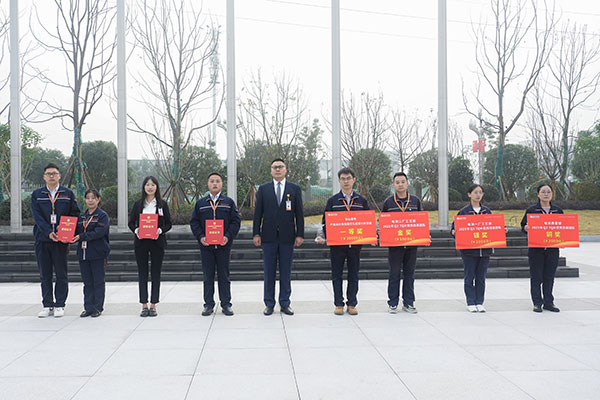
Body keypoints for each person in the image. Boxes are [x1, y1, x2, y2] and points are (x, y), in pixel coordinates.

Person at [253, 158, 304, 316]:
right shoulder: (263, 189)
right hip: (268, 237)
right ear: (271, 170)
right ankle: (269, 304)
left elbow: (299, 214)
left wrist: (300, 234)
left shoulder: (294, 189)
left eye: (280, 167)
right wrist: (256, 233)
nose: (277, 169)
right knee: (269, 272)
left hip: (287, 237)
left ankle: (285, 303)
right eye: (275, 167)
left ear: (285, 169)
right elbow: (257, 214)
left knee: (285, 272)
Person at [316, 167, 369, 315]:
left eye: (349, 178)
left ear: (354, 180)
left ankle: (352, 304)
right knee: (336, 275)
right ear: (339, 181)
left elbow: (367, 222)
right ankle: (338, 304)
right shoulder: (333, 201)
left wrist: (371, 236)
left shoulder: (361, 201)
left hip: (355, 245)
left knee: (354, 275)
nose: (346, 182)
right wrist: (324, 236)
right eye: (343, 179)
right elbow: (325, 222)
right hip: (337, 245)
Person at [31, 163, 80, 318]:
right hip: (43, 239)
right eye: (48, 174)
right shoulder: (37, 194)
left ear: (59, 176)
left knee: (61, 273)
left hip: (61, 240)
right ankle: (47, 305)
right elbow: (37, 217)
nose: (51, 176)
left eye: (54, 173)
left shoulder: (68, 193)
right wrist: (48, 232)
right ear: (44, 177)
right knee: (44, 274)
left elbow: (75, 213)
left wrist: (64, 227)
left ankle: (60, 304)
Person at [190, 172, 241, 316]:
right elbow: (194, 222)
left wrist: (227, 236)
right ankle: (208, 305)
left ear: (222, 184)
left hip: (223, 246)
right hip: (206, 247)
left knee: (224, 276)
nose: (215, 184)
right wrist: (200, 236)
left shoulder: (228, 202)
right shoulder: (201, 203)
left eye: (217, 181)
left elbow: (236, 221)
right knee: (208, 276)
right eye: (212, 181)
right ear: (208, 184)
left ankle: (226, 304)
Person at [128, 176, 172, 317]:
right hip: (141, 242)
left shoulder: (162, 205)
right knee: (142, 273)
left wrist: (160, 230)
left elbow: (169, 224)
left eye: (153, 185)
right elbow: (131, 222)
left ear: (157, 187)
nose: (150, 187)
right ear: (144, 187)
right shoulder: (138, 204)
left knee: (155, 273)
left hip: (157, 242)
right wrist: (136, 230)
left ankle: (153, 305)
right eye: (147, 184)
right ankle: (144, 305)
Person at [381, 172, 422, 314]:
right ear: (393, 185)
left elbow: (421, 220)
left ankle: (408, 303)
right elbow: (383, 221)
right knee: (394, 274)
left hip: (411, 245)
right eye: (397, 182)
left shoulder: (415, 201)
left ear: (407, 183)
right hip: (395, 246)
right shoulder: (389, 202)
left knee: (409, 274)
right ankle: (393, 303)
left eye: (403, 182)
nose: (400, 185)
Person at [521, 184, 563, 313]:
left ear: (552, 194)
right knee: (536, 277)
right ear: (538, 194)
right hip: (536, 249)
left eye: (548, 192)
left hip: (552, 249)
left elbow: (563, 227)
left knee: (549, 276)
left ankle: (549, 302)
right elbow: (523, 226)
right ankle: (537, 303)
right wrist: (526, 228)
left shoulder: (557, 210)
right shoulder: (532, 210)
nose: (546, 194)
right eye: (543, 192)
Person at [451, 184, 492, 313]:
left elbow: (493, 227)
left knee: (481, 278)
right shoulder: (463, 212)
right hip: (468, 251)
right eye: (475, 192)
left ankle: (479, 302)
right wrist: (454, 231)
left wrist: (501, 230)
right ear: (469, 194)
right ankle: (470, 302)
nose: (478, 195)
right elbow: (454, 227)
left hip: (484, 251)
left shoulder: (487, 211)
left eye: (480, 192)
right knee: (469, 277)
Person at [72, 189, 110, 318]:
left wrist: (81, 236)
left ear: (98, 200)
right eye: (88, 198)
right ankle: (88, 307)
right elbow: (75, 231)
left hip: (98, 253)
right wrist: (66, 233)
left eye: (93, 198)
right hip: (83, 253)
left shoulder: (102, 216)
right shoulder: (82, 217)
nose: (90, 200)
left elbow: (99, 232)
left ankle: (97, 307)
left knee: (98, 281)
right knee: (87, 282)